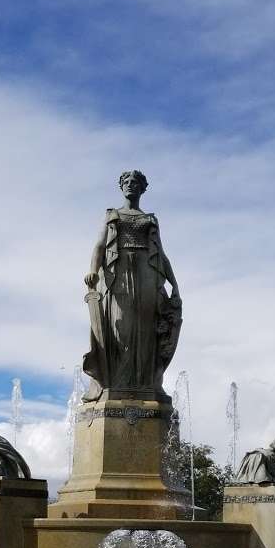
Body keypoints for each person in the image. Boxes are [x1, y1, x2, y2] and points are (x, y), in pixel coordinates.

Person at [82, 170, 182, 400]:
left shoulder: (150, 219)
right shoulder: (112, 215)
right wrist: (92, 270)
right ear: (121, 187)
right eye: (126, 182)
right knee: (120, 328)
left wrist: (174, 285)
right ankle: (116, 382)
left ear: (143, 188)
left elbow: (162, 255)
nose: (131, 186)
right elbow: (100, 245)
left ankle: (146, 383)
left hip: (146, 275)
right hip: (117, 275)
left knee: (146, 330)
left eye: (135, 183)